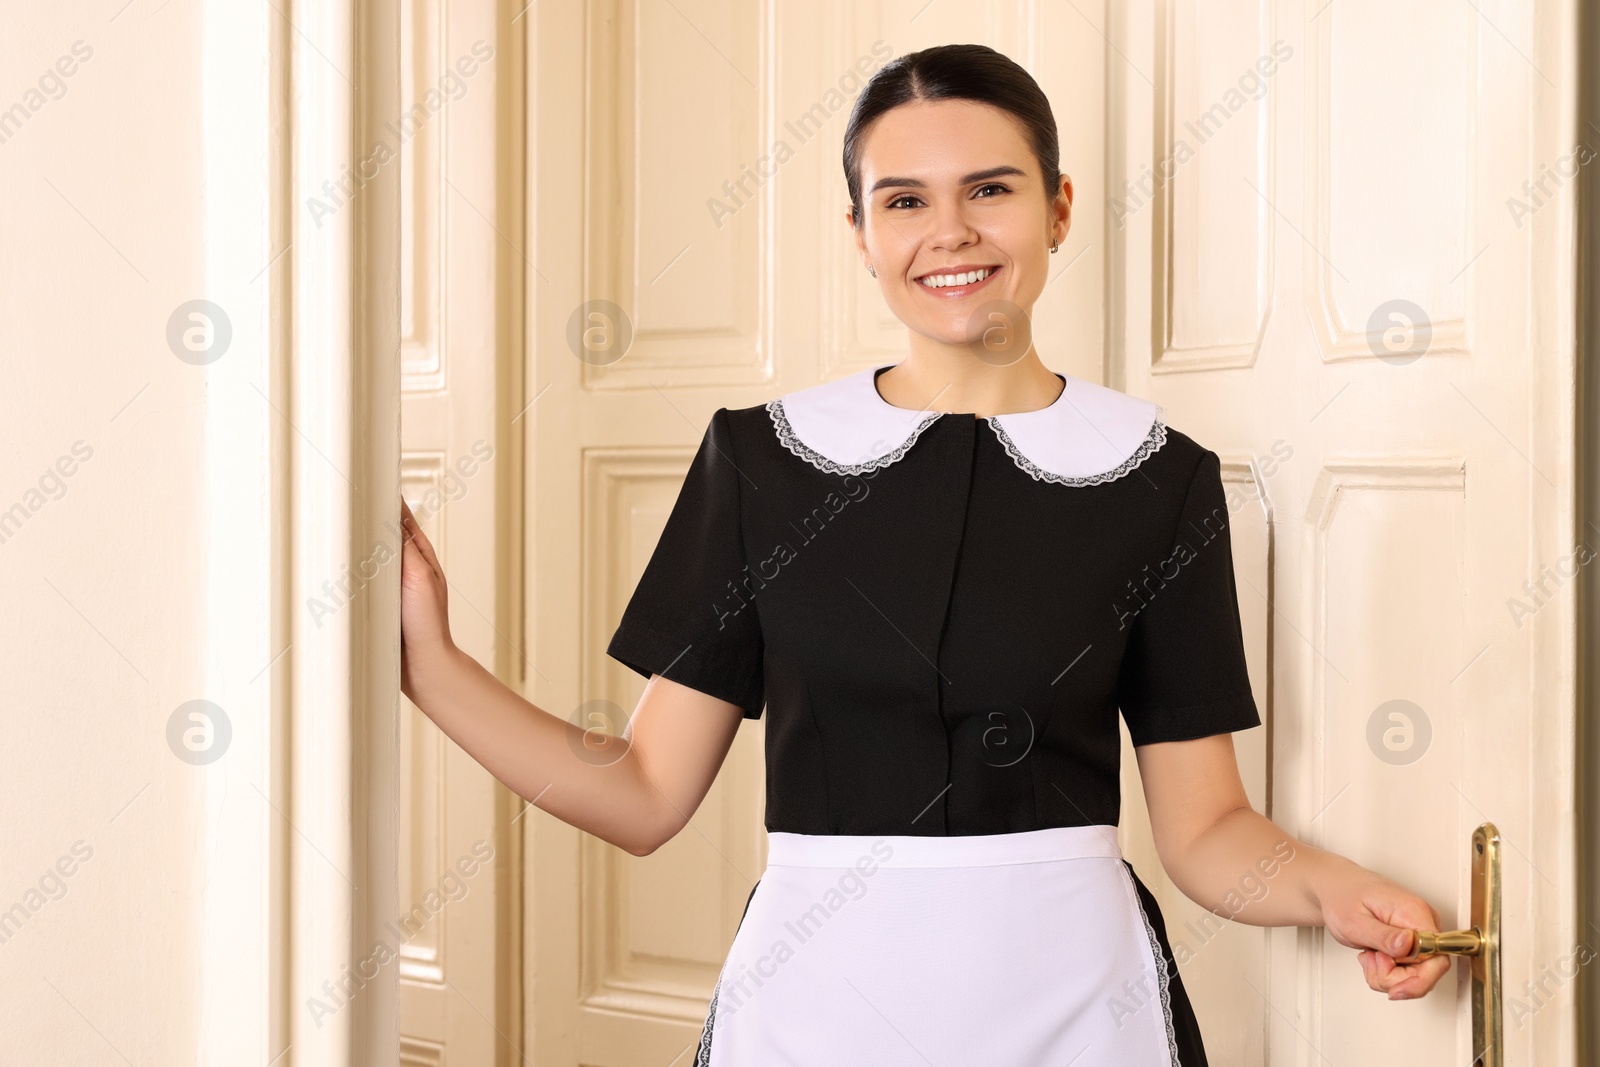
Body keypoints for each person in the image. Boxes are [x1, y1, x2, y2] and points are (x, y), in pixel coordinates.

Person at [400, 42, 1451, 1066]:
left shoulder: (1157, 478)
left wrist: (1332, 892)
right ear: (859, 232)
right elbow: (640, 793)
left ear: (1058, 207)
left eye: (987, 189)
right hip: (812, 1005)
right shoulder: (759, 461)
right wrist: (430, 662)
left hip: (1080, 1003)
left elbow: (1207, 825)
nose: (949, 232)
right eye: (903, 200)